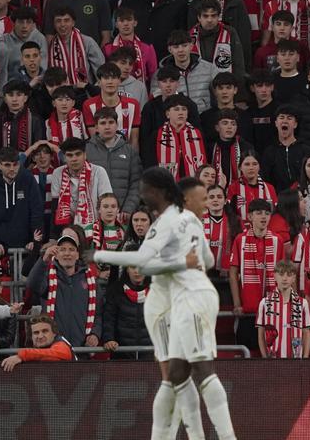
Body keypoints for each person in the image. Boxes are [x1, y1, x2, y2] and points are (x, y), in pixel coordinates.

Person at [94, 170, 236, 440]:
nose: (206, 203)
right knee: (177, 377)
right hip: (174, 300)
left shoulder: (176, 221)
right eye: (202, 198)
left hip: (183, 298)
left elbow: (150, 262)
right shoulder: (181, 223)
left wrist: (101, 254)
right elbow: (205, 260)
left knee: (185, 375)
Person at [27, 234, 101, 347]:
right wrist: (44, 259)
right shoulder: (47, 276)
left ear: (77, 255)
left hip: (82, 348)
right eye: (62, 249)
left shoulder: (90, 280)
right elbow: (32, 284)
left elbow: (98, 312)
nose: (67, 253)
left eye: (71, 249)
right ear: (56, 255)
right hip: (54, 348)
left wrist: (95, 333)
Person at [229, 198, 283, 349]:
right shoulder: (240, 240)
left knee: (271, 355)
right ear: (250, 217)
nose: (264, 217)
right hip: (247, 311)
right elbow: (233, 274)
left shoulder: (277, 240)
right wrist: (237, 304)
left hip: (272, 312)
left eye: (267, 213)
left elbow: (283, 274)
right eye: (259, 213)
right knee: (247, 357)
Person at [85, 108, 141, 222]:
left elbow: (136, 183)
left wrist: (128, 208)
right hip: (92, 215)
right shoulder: (86, 150)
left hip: (122, 215)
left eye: (111, 122)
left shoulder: (129, 151)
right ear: (96, 127)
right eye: (102, 123)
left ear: (117, 125)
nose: (107, 127)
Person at [50, 137, 112, 238]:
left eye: (78, 154)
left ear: (85, 155)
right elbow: (55, 208)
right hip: (68, 231)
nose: (74, 159)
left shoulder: (99, 172)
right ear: (64, 158)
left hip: (95, 231)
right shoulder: (58, 173)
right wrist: (52, 238)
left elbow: (107, 204)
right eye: (69, 155)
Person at [101, 244, 153, 356]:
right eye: (132, 267)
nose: (137, 271)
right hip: (122, 355)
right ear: (127, 269)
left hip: (151, 355)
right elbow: (109, 319)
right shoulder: (116, 290)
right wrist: (109, 339)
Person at [256, 260, 310, 359]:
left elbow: (306, 333)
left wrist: (305, 357)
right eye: (281, 274)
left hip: (296, 360)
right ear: (274, 276)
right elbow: (261, 334)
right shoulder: (264, 303)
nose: (285, 278)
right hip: (272, 360)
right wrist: (265, 358)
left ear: (294, 278)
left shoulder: (302, 303)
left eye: (289, 275)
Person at [151, 30, 217, 114]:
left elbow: (220, 95)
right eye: (176, 47)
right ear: (170, 49)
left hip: (203, 120)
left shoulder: (209, 69)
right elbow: (156, 103)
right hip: (174, 122)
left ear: (191, 46)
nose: (180, 50)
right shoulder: (159, 75)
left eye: (184, 45)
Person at [144, 94, 207, 180]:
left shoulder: (198, 135)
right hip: (165, 186)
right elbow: (150, 165)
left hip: (193, 186)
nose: (181, 112)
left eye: (184, 109)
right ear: (167, 114)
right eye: (176, 109)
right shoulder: (156, 136)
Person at [82, 63, 141, 147]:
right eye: (106, 78)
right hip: (100, 156)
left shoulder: (133, 105)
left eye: (113, 78)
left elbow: (134, 140)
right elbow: (94, 139)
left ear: (119, 81)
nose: (110, 82)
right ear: (99, 82)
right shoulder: (89, 105)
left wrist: (134, 159)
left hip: (126, 156)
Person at [261, 106, 310, 193]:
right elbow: (265, 180)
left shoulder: (306, 150)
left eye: (289, 118)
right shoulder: (269, 152)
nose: (285, 121)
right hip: (278, 199)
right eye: (281, 117)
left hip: (303, 198)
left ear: (295, 124)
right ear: (276, 123)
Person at [0, 314, 75, 371]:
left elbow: (60, 354)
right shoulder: (37, 349)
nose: (40, 336)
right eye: (36, 333)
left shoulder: (60, 343)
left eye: (45, 331)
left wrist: (22, 355)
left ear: (54, 333)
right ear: (31, 337)